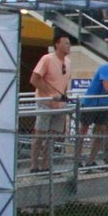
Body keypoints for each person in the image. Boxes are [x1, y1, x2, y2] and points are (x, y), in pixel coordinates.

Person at [28, 30, 72, 173]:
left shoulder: (68, 62)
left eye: (69, 43)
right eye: (65, 43)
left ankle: (45, 165)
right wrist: (50, 94)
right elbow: (35, 79)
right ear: (57, 44)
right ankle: (34, 165)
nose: (68, 46)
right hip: (45, 103)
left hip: (60, 105)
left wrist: (63, 97)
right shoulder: (47, 59)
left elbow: (64, 83)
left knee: (53, 136)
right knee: (40, 134)